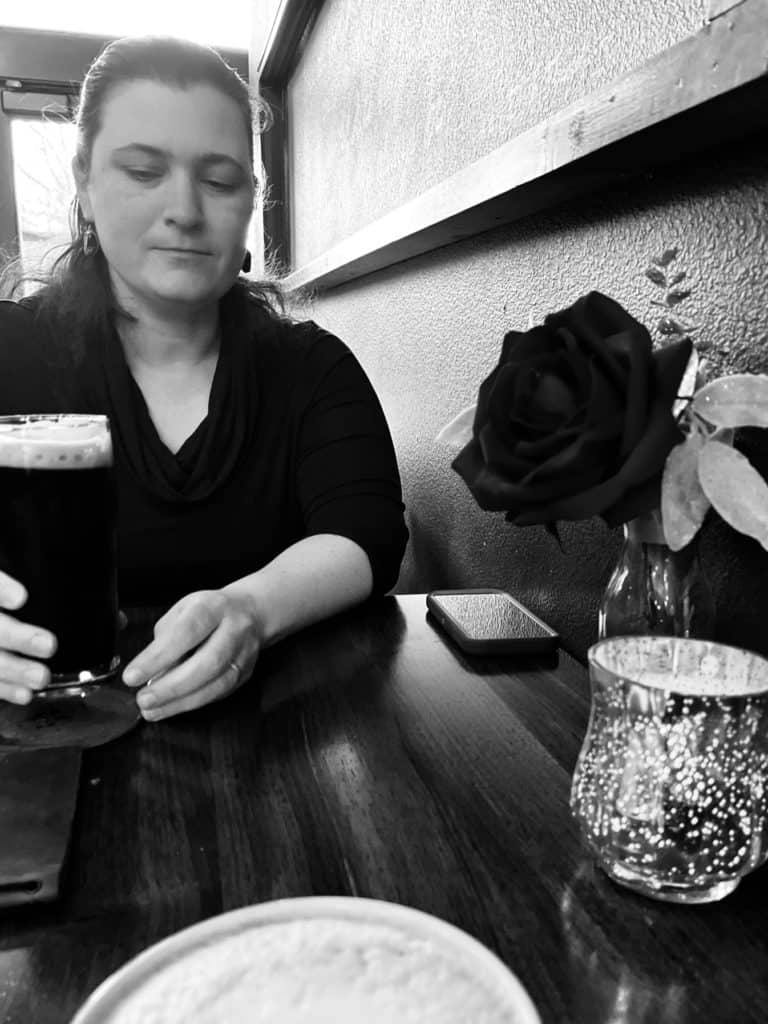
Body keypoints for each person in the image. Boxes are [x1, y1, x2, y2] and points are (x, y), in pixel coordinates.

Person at [0, 36, 408, 722]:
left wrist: (252, 610)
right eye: (142, 170)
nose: (185, 210)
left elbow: (366, 533)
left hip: (278, 745)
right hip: (37, 744)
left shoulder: (311, 367)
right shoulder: (13, 348)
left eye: (219, 180)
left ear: (252, 198)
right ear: (85, 184)